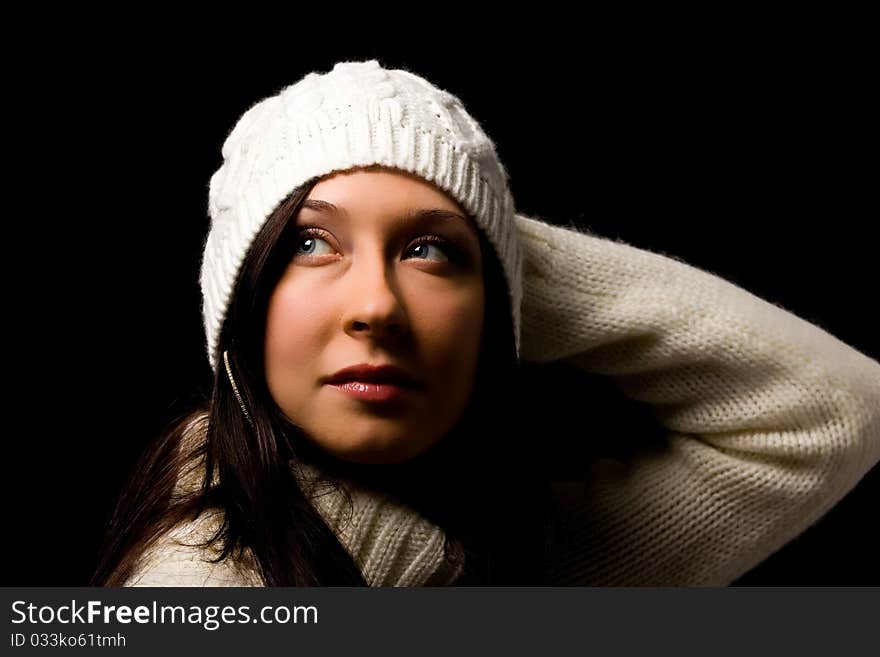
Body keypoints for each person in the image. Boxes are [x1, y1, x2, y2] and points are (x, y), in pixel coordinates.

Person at [92, 59, 880, 587]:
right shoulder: (197, 585)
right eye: (309, 242)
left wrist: (497, 249)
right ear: (238, 301)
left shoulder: (511, 556)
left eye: (427, 251)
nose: (375, 307)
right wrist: (468, 245)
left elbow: (837, 412)